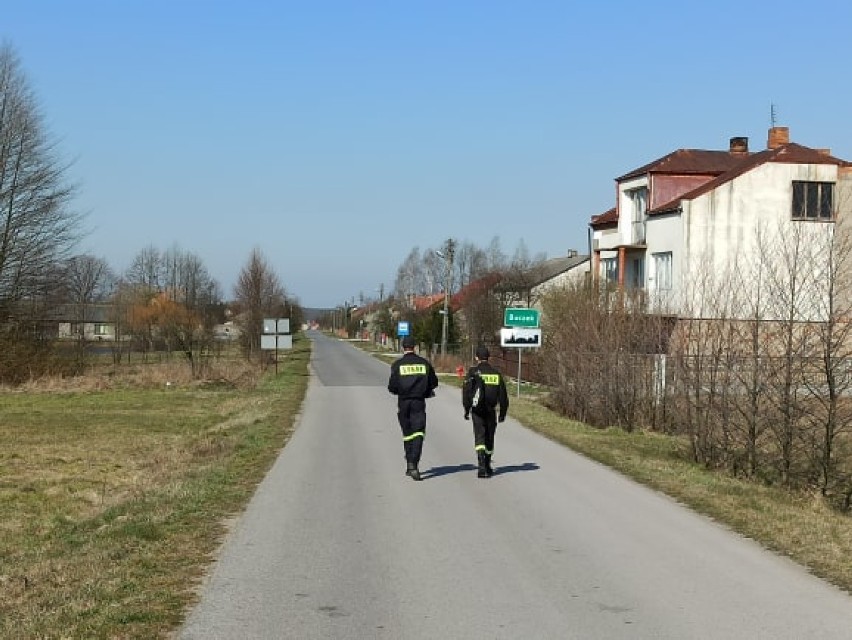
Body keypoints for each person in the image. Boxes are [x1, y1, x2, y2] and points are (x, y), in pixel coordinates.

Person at [387, 335, 439, 481]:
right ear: (414, 347)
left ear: (403, 347)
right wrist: (424, 389)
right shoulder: (424, 364)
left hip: (403, 402)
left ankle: (410, 463)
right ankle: (413, 464)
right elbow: (434, 382)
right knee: (418, 433)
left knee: (408, 433)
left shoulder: (397, 365)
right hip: (418, 402)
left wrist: (401, 390)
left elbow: (392, 387)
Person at [462, 345, 509, 478]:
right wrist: (503, 413)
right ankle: (487, 464)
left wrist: (466, 409)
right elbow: (503, 396)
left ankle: (481, 465)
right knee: (489, 437)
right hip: (491, 411)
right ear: (488, 357)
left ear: (476, 357)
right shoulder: (496, 373)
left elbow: (466, 392)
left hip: (477, 410)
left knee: (479, 436)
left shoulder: (473, 372)